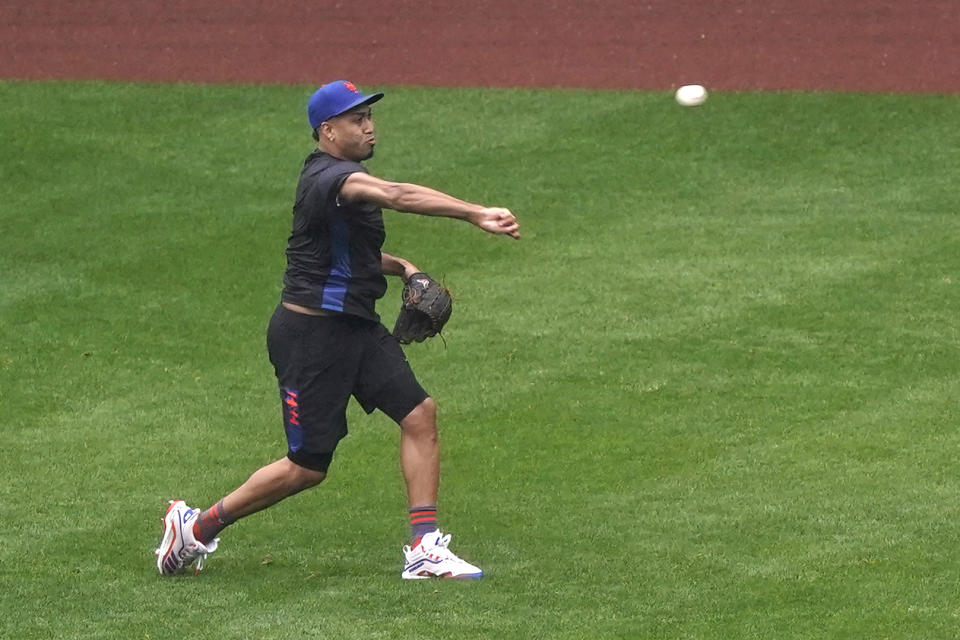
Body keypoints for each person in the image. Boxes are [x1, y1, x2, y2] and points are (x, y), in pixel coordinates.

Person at [155, 80, 520, 580]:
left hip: (356, 329)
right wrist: (475, 212)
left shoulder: (348, 180)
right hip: (311, 338)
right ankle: (196, 528)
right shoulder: (330, 179)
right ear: (327, 131)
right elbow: (396, 194)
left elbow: (353, 256)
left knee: (419, 414)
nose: (369, 126)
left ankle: (424, 547)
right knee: (306, 466)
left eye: (370, 116)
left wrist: (405, 267)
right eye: (356, 119)